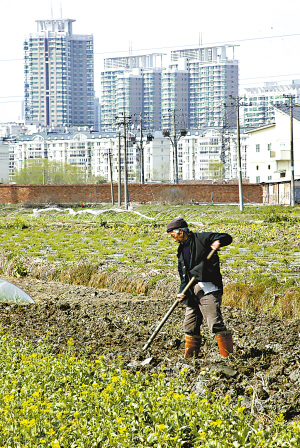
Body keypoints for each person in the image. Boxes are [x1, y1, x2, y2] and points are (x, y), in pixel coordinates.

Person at [167, 217, 233, 359]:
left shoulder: (202, 238)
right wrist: (181, 292)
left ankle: (228, 358)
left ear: (181, 231)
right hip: (191, 291)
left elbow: (226, 237)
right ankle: (191, 359)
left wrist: (218, 242)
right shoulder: (181, 250)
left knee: (214, 322)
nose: (173, 239)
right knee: (190, 325)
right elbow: (184, 276)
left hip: (207, 288)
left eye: (173, 235)